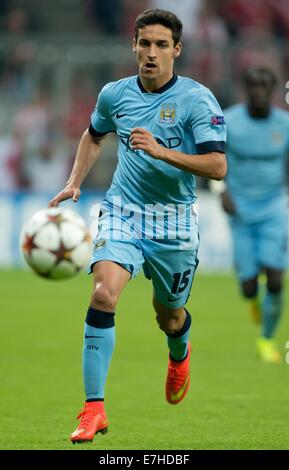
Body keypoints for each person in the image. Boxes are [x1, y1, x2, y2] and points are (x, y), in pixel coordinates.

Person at [49, 8, 227, 443]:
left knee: (168, 316)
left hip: (175, 222)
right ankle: (94, 409)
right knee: (103, 293)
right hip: (123, 211)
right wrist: (74, 182)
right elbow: (94, 134)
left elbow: (218, 166)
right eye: (144, 43)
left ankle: (178, 351)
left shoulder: (197, 99)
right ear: (133, 45)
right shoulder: (115, 94)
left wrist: (162, 152)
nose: (151, 53)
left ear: (177, 50)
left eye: (161, 45)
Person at [220, 67, 289, 364]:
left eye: (264, 87)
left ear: (272, 90)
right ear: (245, 89)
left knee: (275, 278)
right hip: (240, 209)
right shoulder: (228, 122)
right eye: (253, 86)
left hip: (274, 207)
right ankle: (253, 300)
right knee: (249, 287)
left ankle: (267, 339)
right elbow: (210, 158)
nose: (259, 92)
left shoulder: (284, 124)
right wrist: (219, 191)